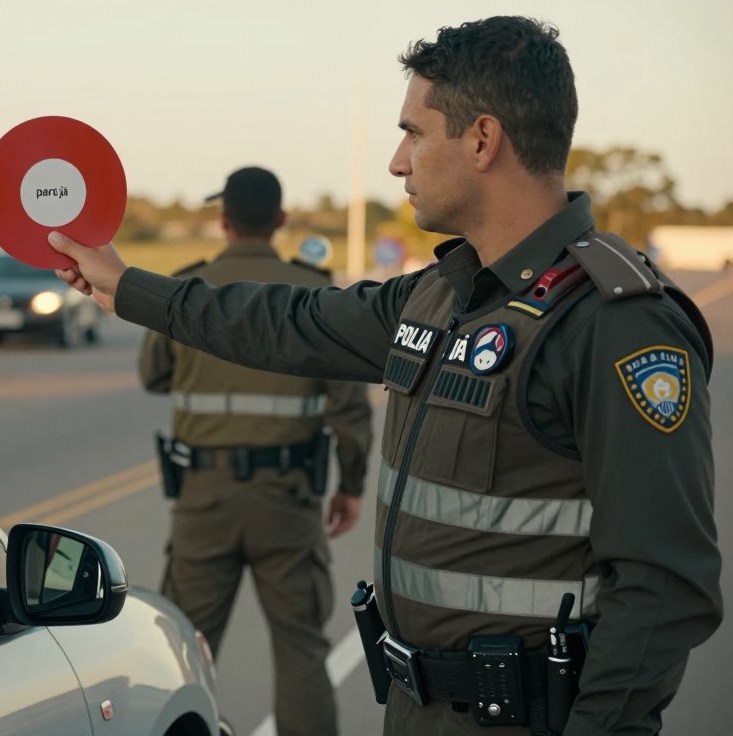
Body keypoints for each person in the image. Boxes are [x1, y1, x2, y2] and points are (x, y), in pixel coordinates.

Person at [48, 16, 720, 736]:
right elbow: (287, 322)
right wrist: (128, 287)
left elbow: (663, 587)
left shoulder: (614, 324)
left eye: (414, 133)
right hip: (413, 708)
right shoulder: (438, 295)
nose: (398, 162)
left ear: (483, 140)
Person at [140, 166, 372, 736]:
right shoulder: (314, 289)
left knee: (185, 652)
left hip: (204, 501)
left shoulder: (188, 289)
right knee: (301, 650)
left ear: (223, 222)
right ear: (282, 221)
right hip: (288, 501)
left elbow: (153, 374)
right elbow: (349, 405)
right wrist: (350, 484)